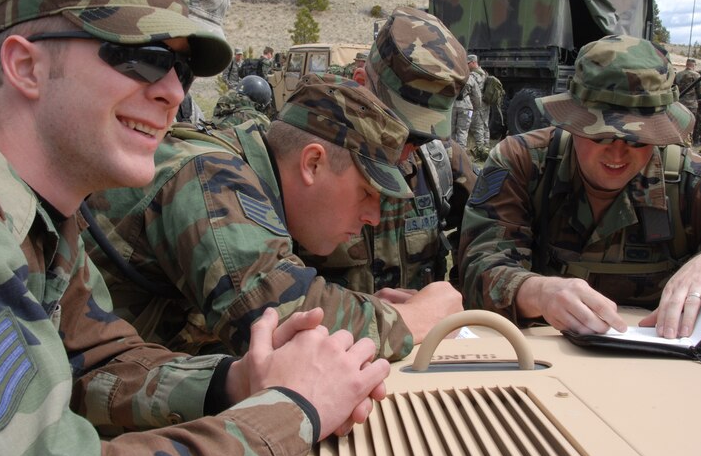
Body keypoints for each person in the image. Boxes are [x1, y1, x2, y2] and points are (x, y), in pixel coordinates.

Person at [0, 0, 390, 456]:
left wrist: (234, 381)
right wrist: (295, 410)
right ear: (27, 67)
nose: (171, 91)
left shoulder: (36, 213)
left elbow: (93, 363)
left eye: (181, 70)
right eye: (140, 58)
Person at [83, 73, 463, 357]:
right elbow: (275, 317)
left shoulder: (254, 170)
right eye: (366, 193)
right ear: (312, 163)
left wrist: (366, 309)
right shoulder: (212, 177)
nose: (374, 217)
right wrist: (416, 319)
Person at [460, 35, 701, 339]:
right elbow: (477, 265)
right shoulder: (522, 162)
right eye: (602, 135)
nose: (618, 153)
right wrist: (535, 291)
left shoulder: (699, 183)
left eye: (639, 140)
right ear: (574, 123)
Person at [302, 7, 478, 293]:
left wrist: (458, 300)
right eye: (401, 129)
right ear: (361, 86)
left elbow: (481, 240)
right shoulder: (309, 165)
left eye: (422, 136)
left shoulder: (441, 161)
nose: (408, 147)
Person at [674, 57, 701, 145]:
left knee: (680, 123)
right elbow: (700, 91)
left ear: (686, 64)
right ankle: (688, 143)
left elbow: (673, 88)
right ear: (694, 65)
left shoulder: (678, 75)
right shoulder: (696, 75)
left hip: (679, 103)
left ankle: (678, 141)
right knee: (690, 124)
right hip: (691, 104)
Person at [465, 54, 490, 158]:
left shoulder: (473, 76)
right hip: (485, 104)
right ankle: (486, 147)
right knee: (485, 125)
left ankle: (481, 151)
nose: (467, 65)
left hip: (477, 105)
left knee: (477, 127)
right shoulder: (484, 73)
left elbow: (470, 91)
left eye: (468, 63)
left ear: (474, 62)